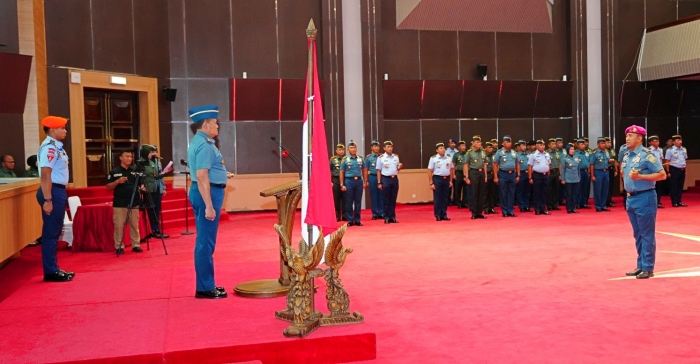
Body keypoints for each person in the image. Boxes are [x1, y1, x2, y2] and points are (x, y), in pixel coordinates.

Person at [188, 104, 230, 299]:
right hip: (207, 194)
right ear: (205, 124)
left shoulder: (200, 142)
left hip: (207, 190)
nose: (217, 126)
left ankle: (207, 284)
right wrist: (209, 206)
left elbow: (206, 172)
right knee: (206, 242)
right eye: (214, 123)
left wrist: (221, 174)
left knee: (206, 241)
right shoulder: (205, 145)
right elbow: (202, 175)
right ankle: (204, 288)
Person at [621, 125, 666, 279]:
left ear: (640, 138)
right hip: (631, 198)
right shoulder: (627, 155)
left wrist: (640, 177)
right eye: (626, 135)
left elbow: (662, 175)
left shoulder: (648, 155)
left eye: (631, 136)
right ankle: (640, 265)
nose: (627, 138)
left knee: (647, 233)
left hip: (645, 196)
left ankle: (648, 267)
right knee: (638, 234)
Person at [36, 116, 74, 282]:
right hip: (52, 191)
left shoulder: (57, 147)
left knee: (55, 231)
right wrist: (48, 200)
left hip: (56, 191)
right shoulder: (49, 148)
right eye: (62, 128)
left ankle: (53, 268)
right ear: (53, 130)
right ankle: (50, 271)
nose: (65, 131)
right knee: (51, 233)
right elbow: (45, 174)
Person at [106, 150, 143, 254]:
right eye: (127, 156)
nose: (129, 159)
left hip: (134, 202)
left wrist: (143, 187)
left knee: (134, 225)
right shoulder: (114, 171)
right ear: (121, 158)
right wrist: (118, 181)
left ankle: (136, 244)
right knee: (119, 226)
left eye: (131, 157)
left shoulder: (135, 171)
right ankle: (119, 246)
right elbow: (108, 187)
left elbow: (141, 184)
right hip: (120, 203)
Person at [140, 144, 172, 238]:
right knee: (151, 208)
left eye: (154, 151)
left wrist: (163, 187)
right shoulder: (142, 162)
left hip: (157, 187)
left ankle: (156, 228)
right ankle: (152, 229)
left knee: (157, 208)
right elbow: (142, 176)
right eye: (151, 152)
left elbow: (158, 175)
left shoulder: (157, 162)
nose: (154, 153)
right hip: (148, 187)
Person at [376, 140, 402, 224]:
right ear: (384, 148)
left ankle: (392, 216)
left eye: (391, 147)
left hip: (394, 179)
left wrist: (400, 167)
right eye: (388, 147)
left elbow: (397, 168)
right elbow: (379, 171)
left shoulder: (396, 157)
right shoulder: (381, 158)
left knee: (393, 199)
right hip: (385, 179)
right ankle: (386, 217)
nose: (390, 148)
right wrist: (379, 182)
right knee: (386, 199)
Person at [493, 135, 519, 217]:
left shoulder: (514, 152)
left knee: (511, 193)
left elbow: (517, 164)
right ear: (503, 143)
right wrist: (496, 177)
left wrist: (518, 175)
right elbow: (495, 165)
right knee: (503, 193)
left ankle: (510, 211)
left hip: (512, 174)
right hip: (503, 174)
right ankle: (504, 211)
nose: (509, 144)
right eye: (507, 142)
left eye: (510, 142)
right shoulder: (499, 152)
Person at [340, 140, 364, 226]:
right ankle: (350, 220)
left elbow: (364, 170)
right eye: (351, 148)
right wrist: (342, 184)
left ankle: (357, 219)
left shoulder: (360, 158)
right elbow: (342, 172)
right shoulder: (345, 160)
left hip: (358, 181)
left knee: (358, 201)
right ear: (348, 149)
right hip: (349, 181)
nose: (353, 149)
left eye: (354, 148)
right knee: (349, 201)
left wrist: (364, 181)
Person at [428, 142, 454, 221]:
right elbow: (429, 171)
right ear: (437, 150)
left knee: (445, 197)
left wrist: (451, 181)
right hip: (437, 178)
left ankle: (444, 214)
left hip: (446, 179)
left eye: (443, 148)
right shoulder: (433, 158)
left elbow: (451, 169)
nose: (443, 150)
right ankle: (438, 215)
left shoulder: (448, 158)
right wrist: (431, 183)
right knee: (438, 198)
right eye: (441, 148)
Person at [465, 136, 488, 219]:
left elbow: (485, 164)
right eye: (477, 142)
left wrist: (485, 175)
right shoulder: (470, 152)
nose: (479, 144)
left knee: (481, 193)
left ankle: (480, 212)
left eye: (480, 142)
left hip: (481, 172)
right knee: (474, 193)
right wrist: (466, 177)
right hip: (473, 172)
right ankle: (474, 212)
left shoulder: (483, 152)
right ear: (473, 143)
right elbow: (466, 164)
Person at [528, 139, 551, 215]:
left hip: (545, 175)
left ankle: (543, 208)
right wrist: (530, 177)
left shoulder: (547, 154)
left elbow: (548, 165)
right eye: (540, 145)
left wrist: (548, 175)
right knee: (537, 192)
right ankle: (537, 208)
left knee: (544, 192)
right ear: (537, 146)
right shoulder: (533, 155)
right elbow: (530, 166)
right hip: (537, 175)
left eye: (543, 145)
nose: (542, 146)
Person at [665, 134, 688, 207]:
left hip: (682, 169)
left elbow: (684, 160)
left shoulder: (684, 149)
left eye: (680, 140)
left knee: (680, 186)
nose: (680, 142)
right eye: (678, 140)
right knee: (673, 186)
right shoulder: (670, 150)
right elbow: (667, 161)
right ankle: (674, 202)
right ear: (674, 142)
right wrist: (668, 171)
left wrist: (685, 169)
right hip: (674, 169)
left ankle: (679, 201)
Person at [363, 139, 384, 220]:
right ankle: (375, 213)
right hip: (372, 177)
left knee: (381, 195)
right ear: (371, 148)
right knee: (373, 195)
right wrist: (366, 180)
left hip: (381, 177)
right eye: (375, 146)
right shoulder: (368, 158)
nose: (376, 148)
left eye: (378, 146)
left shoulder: (382, 156)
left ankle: (381, 212)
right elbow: (365, 170)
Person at [590, 137, 612, 212]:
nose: (603, 145)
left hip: (606, 172)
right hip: (598, 172)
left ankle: (603, 205)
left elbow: (607, 161)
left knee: (605, 190)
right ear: (598, 144)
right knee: (598, 190)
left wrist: (610, 161)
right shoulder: (595, 153)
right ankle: (598, 206)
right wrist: (592, 175)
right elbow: (592, 164)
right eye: (602, 143)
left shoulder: (606, 152)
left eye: (604, 143)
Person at [560, 143, 581, 213]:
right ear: (567, 150)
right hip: (568, 179)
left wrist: (579, 177)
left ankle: (573, 207)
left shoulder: (576, 157)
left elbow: (578, 169)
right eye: (571, 149)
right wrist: (563, 179)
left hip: (576, 178)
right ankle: (569, 208)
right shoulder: (565, 159)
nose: (572, 151)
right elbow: (563, 169)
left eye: (573, 149)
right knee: (569, 194)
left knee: (575, 194)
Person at [647, 135, 665, 208]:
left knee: (659, 187)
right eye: (655, 141)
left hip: (659, 171)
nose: (657, 142)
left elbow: (661, 159)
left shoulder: (660, 150)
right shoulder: (648, 150)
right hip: (651, 171)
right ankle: (651, 203)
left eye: (658, 141)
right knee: (651, 187)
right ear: (650, 142)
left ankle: (658, 202)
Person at [330, 144, 346, 221]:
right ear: (336, 151)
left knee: (345, 198)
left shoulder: (347, 159)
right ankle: (337, 215)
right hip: (336, 179)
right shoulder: (333, 160)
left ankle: (345, 215)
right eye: (339, 150)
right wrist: (330, 181)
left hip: (346, 179)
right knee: (336, 198)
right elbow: (329, 171)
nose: (341, 151)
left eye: (342, 150)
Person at [515, 140, 532, 212]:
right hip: (521, 174)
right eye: (522, 146)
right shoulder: (516, 155)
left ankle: (526, 206)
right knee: (520, 191)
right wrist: (517, 175)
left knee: (527, 191)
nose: (524, 147)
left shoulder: (529, 154)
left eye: (525, 145)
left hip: (528, 173)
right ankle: (521, 206)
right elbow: (515, 166)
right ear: (519, 147)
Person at [575, 138, 592, 209]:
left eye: (584, 144)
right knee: (578, 188)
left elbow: (589, 162)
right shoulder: (576, 153)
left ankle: (584, 202)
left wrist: (589, 171)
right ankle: (578, 203)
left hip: (586, 171)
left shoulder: (586, 153)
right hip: (579, 172)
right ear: (578, 145)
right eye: (581, 144)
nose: (583, 145)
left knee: (585, 188)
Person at [451, 140, 469, 209]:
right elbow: (454, 165)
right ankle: (458, 202)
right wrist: (454, 174)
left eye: (464, 145)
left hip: (466, 173)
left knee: (465, 188)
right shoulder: (456, 155)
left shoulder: (467, 154)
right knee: (458, 188)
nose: (463, 147)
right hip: (458, 172)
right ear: (458, 147)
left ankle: (464, 202)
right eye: (462, 146)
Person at [546, 138, 561, 211]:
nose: (554, 145)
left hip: (556, 172)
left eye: (555, 144)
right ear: (549, 145)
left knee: (556, 189)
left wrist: (560, 174)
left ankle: (555, 204)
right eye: (552, 144)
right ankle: (549, 205)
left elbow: (559, 163)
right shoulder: (546, 153)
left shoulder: (557, 152)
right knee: (549, 189)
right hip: (550, 172)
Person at [483, 142, 497, 214]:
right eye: (489, 147)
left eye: (491, 147)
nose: (490, 149)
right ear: (485, 148)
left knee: (492, 192)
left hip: (493, 174)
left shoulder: (494, 156)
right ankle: (485, 207)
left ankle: (491, 207)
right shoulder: (483, 156)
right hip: (486, 175)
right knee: (485, 192)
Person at [604, 137, 617, 207]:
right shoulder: (603, 151)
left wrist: (616, 170)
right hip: (606, 169)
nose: (610, 144)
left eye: (610, 142)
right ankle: (606, 200)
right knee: (606, 186)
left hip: (612, 169)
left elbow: (615, 160)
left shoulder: (612, 150)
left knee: (611, 186)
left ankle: (609, 199)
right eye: (608, 142)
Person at [445, 138, 457, 205]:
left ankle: (455, 200)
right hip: (448, 170)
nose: (452, 144)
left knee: (456, 186)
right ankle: (448, 200)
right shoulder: (446, 152)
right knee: (449, 186)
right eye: (451, 143)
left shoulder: (456, 151)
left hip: (455, 170)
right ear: (448, 144)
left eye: (454, 143)